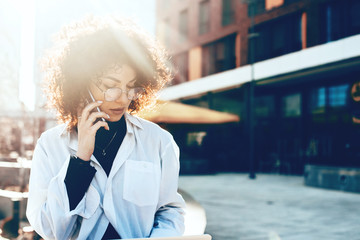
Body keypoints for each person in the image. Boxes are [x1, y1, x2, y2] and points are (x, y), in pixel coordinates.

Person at [26, 15, 186, 240]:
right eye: (111, 86)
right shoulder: (50, 145)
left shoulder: (159, 141)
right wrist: (80, 161)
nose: (122, 99)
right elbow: (50, 230)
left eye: (131, 87)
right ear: (81, 83)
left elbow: (170, 210)